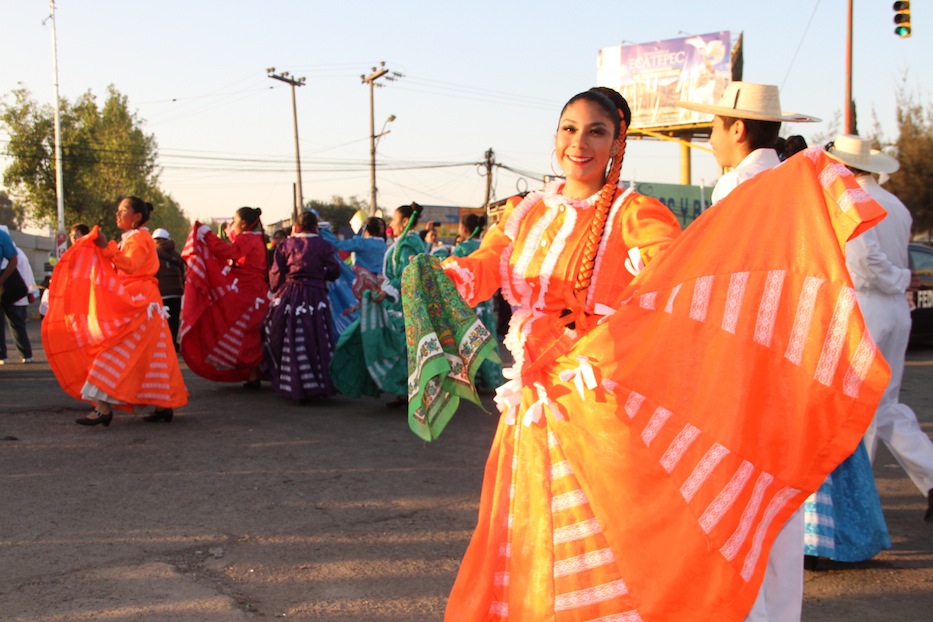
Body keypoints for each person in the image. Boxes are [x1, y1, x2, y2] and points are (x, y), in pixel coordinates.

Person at [408, 87, 888, 620]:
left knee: (622, 541)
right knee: (531, 532)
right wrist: (438, 275)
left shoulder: (636, 213)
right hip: (532, 408)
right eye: (570, 129)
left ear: (617, 143)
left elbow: (684, 274)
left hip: (602, 408)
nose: (580, 143)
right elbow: (484, 268)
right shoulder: (526, 214)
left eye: (597, 132)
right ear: (556, 136)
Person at [679, 81, 819, 622]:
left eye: (713, 127)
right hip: (790, 359)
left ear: (738, 129)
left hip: (744, 360)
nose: (710, 139)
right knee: (780, 501)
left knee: (737, 502)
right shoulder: (796, 181)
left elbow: (719, 282)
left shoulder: (740, 186)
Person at [825, 134, 933, 523]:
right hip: (895, 310)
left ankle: (858, 509)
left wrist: (898, 277)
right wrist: (903, 279)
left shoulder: (852, 200)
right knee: (885, 406)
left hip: (867, 305)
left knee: (860, 408)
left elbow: (867, 262)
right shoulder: (897, 205)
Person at [42, 197, 188, 425]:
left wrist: (104, 246)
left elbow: (130, 265)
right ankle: (163, 405)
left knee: (112, 352)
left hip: (139, 305)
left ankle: (103, 408)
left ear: (136, 217)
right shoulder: (137, 237)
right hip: (145, 303)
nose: (117, 214)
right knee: (150, 356)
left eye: (122, 210)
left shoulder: (138, 238)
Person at [330, 203, 427, 406]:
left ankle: (405, 390)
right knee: (404, 346)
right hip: (400, 299)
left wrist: (386, 291)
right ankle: (407, 391)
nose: (392, 223)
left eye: (394, 219)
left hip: (400, 302)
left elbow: (406, 274)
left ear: (405, 222)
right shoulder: (407, 243)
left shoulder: (406, 245)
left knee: (398, 346)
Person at [180, 207, 270, 388]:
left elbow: (231, 253)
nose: (231, 225)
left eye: (234, 221)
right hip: (259, 291)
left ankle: (250, 373)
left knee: (234, 326)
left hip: (245, 290)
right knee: (252, 331)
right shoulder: (259, 238)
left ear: (243, 224)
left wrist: (207, 236)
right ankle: (254, 374)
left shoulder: (246, 238)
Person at [263, 211, 341, 401]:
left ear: (296, 226)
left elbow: (276, 273)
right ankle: (319, 383)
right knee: (317, 336)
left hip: (290, 295)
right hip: (316, 296)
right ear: (315, 226)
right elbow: (334, 270)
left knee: (288, 335)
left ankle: (294, 382)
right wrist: (321, 276)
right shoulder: (324, 245)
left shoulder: (286, 245)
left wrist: (275, 288)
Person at [450, 213, 503, 389]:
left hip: (469, 302)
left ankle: (471, 380)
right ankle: (491, 379)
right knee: (486, 337)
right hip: (486, 301)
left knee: (469, 339)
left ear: (463, 228)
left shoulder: (461, 249)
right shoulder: (485, 245)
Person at [0, 226, 37, 364]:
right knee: (17, 324)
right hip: (17, 291)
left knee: (16, 323)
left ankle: (11, 355)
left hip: (13, 290)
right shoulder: (17, 251)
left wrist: (30, 292)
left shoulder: (15, 254)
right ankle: (23, 355)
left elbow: (22, 271)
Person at [152, 228, 186, 351]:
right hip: (176, 291)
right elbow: (183, 271)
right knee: (174, 319)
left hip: (160, 291)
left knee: (159, 320)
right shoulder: (176, 254)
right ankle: (172, 344)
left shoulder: (151, 252)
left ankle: (161, 344)